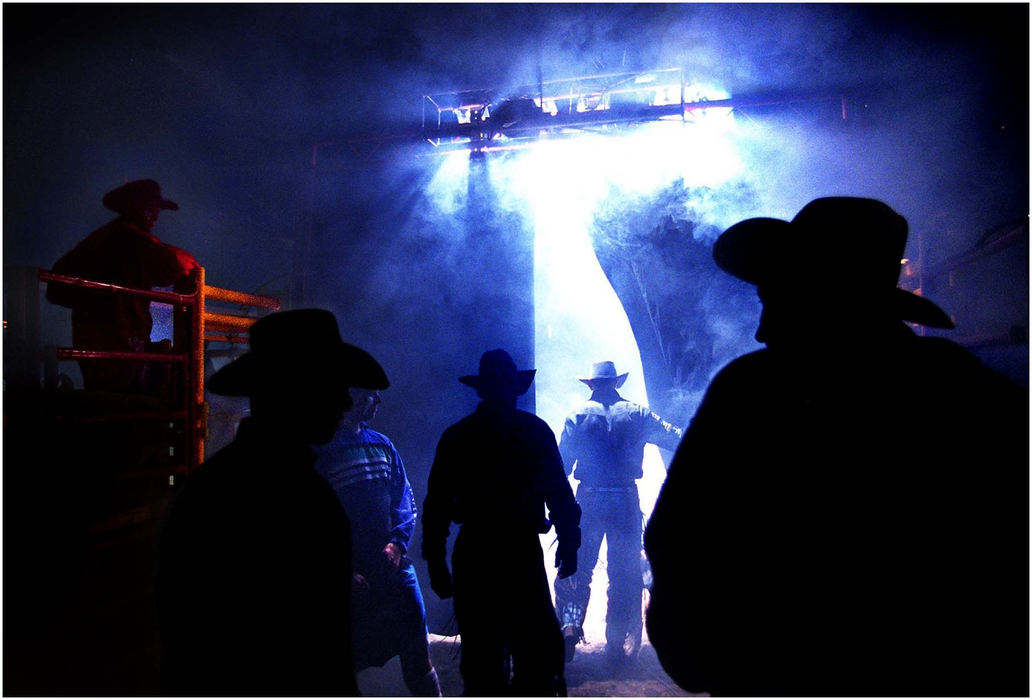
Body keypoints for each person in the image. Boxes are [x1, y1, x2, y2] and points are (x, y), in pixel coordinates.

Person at [644, 197, 1029, 697]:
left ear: (816, 297)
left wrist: (710, 659)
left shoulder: (753, 391)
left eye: (774, 300)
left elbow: (681, 535)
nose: (763, 327)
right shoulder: (967, 390)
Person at [156, 309, 389, 696]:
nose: (344, 402)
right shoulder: (304, 500)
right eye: (330, 384)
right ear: (295, 389)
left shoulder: (209, 488)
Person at [421, 349, 582, 696]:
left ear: (481, 390)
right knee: (537, 655)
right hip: (520, 552)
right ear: (514, 389)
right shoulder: (534, 432)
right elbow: (559, 493)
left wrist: (435, 560)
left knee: (482, 658)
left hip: (476, 553)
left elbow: (436, 506)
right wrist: (569, 542)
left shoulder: (457, 436)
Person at [314, 387, 442, 696]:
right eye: (370, 394)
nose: (378, 401)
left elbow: (404, 500)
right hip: (351, 576)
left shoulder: (382, 445)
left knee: (416, 650)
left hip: (391, 567)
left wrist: (397, 544)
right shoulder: (321, 452)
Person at [553, 361, 683, 664]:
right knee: (622, 572)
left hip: (589, 499)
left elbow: (561, 465)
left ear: (591, 385)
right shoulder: (638, 414)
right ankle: (616, 638)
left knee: (577, 567)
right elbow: (675, 436)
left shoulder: (577, 416)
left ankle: (571, 624)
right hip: (624, 498)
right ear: (616, 384)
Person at [46, 178, 200, 394]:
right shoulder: (126, 241)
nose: (155, 215)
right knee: (124, 402)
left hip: (101, 341)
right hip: (118, 343)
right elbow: (166, 265)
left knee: (112, 400)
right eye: (149, 209)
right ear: (132, 208)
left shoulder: (105, 239)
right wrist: (180, 260)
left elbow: (56, 287)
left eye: (156, 209)